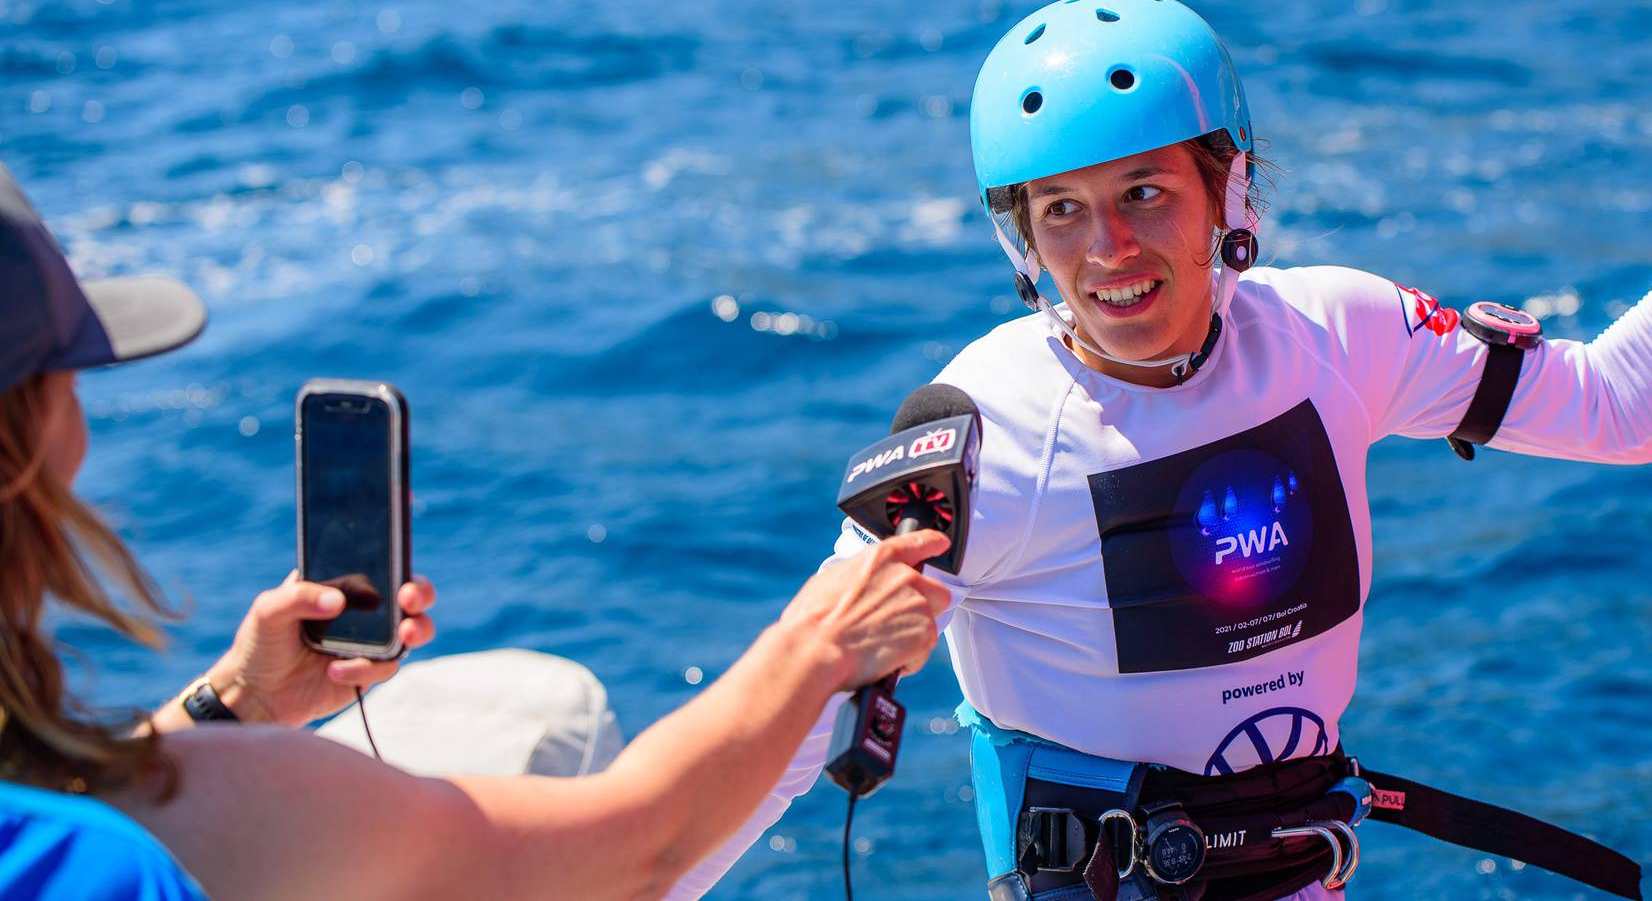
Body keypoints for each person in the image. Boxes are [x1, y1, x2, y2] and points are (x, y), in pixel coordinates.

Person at [669, 0, 1652, 901]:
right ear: (1021, 241)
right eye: (1063, 214)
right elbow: (782, 730)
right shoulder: (972, 438)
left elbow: (1624, 410)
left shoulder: (1337, 330)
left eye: (1146, 191)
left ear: (1229, 192)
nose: (1109, 252)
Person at [0, 162, 954, 899]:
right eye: (69, 380)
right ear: (21, 454)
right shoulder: (117, 852)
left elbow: (63, 786)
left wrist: (228, 705)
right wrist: (818, 646)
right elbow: (633, 850)